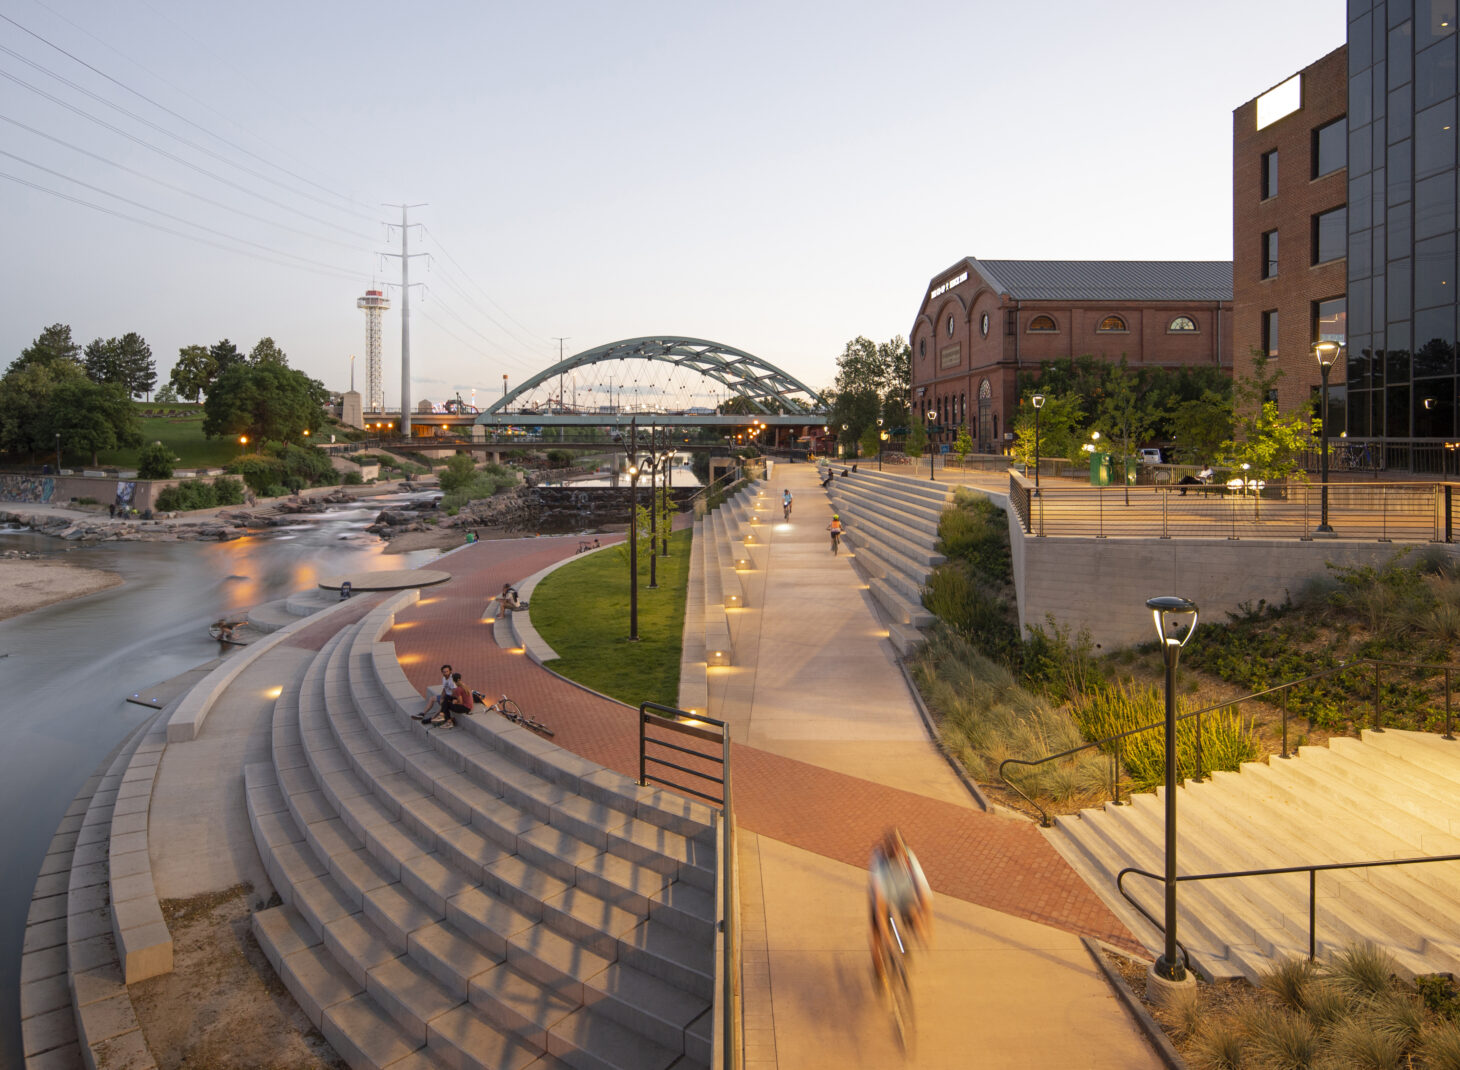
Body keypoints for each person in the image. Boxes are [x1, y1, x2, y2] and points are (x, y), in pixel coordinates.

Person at [868, 829, 933, 983]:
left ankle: (902, 942)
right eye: (897, 858)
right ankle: (879, 971)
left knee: (913, 912)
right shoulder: (880, 865)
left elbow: (924, 897)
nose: (901, 859)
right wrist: (887, 942)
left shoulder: (910, 859)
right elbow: (880, 910)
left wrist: (926, 929)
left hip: (902, 890)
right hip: (883, 891)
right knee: (878, 935)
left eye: (903, 856)